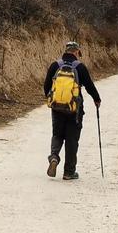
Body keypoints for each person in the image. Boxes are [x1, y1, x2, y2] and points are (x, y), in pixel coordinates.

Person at [44, 41, 101, 180]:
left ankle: (54, 158)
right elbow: (89, 86)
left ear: (66, 50)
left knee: (57, 134)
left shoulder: (55, 65)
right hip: (74, 109)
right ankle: (69, 172)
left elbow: (46, 85)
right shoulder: (79, 67)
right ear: (76, 52)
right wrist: (97, 99)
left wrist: (51, 99)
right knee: (72, 139)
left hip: (57, 107)